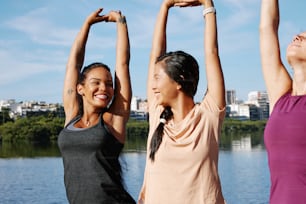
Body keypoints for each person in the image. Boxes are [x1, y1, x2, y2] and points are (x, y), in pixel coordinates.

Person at [138, 0, 226, 203]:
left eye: (158, 78)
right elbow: (155, 53)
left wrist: (207, 4)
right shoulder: (157, 112)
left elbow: (212, 53)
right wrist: (165, 6)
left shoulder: (208, 115)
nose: (152, 86)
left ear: (179, 81)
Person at [57, 8, 135, 203]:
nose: (104, 88)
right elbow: (73, 64)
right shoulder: (72, 116)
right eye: (96, 82)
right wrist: (87, 25)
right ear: (80, 88)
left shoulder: (112, 119)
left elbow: (123, 64)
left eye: (109, 84)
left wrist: (121, 23)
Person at [260, 0, 306, 203]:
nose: (297, 37)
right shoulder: (281, 97)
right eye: (298, 35)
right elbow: (267, 28)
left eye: (305, 38)